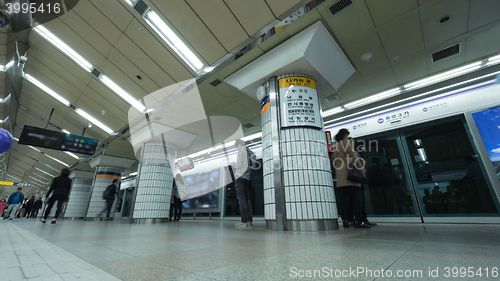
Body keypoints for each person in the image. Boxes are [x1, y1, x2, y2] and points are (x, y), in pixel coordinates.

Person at [331, 129, 370, 228]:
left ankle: (346, 220)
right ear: (344, 135)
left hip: (340, 176)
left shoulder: (335, 146)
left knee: (344, 200)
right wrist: (360, 165)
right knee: (357, 199)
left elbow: (334, 162)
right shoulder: (345, 143)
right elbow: (352, 154)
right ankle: (358, 221)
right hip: (351, 175)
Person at [231, 139, 254, 228]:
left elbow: (239, 165)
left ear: (239, 145)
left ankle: (243, 221)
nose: (237, 149)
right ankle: (249, 220)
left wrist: (233, 164)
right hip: (248, 178)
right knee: (246, 199)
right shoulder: (250, 152)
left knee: (241, 199)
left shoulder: (241, 152)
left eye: (236, 147)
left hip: (240, 177)